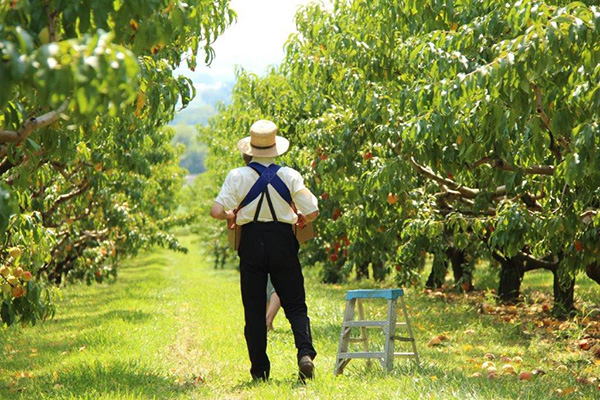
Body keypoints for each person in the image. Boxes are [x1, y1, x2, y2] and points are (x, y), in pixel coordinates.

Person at [210, 120, 319, 381]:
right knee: (295, 304)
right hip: (283, 241)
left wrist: (231, 214)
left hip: (251, 243)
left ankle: (259, 371)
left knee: (254, 309)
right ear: (275, 149)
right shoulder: (290, 175)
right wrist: (302, 217)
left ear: (250, 150)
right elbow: (313, 211)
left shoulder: (237, 175)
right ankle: (305, 354)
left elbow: (215, 211)